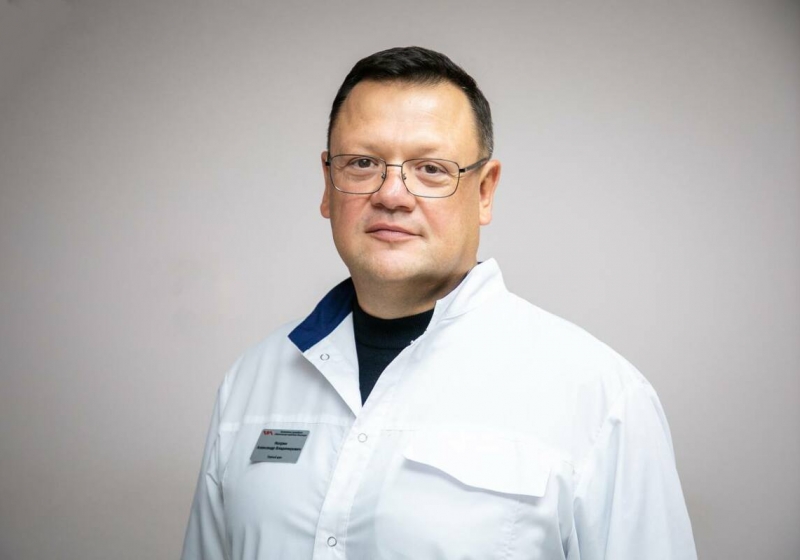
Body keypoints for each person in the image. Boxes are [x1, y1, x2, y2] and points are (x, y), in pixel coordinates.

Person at [181, 46, 697, 560]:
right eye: (363, 164)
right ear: (327, 184)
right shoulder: (251, 383)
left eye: (430, 169)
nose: (392, 194)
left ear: (485, 191)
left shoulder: (601, 399)